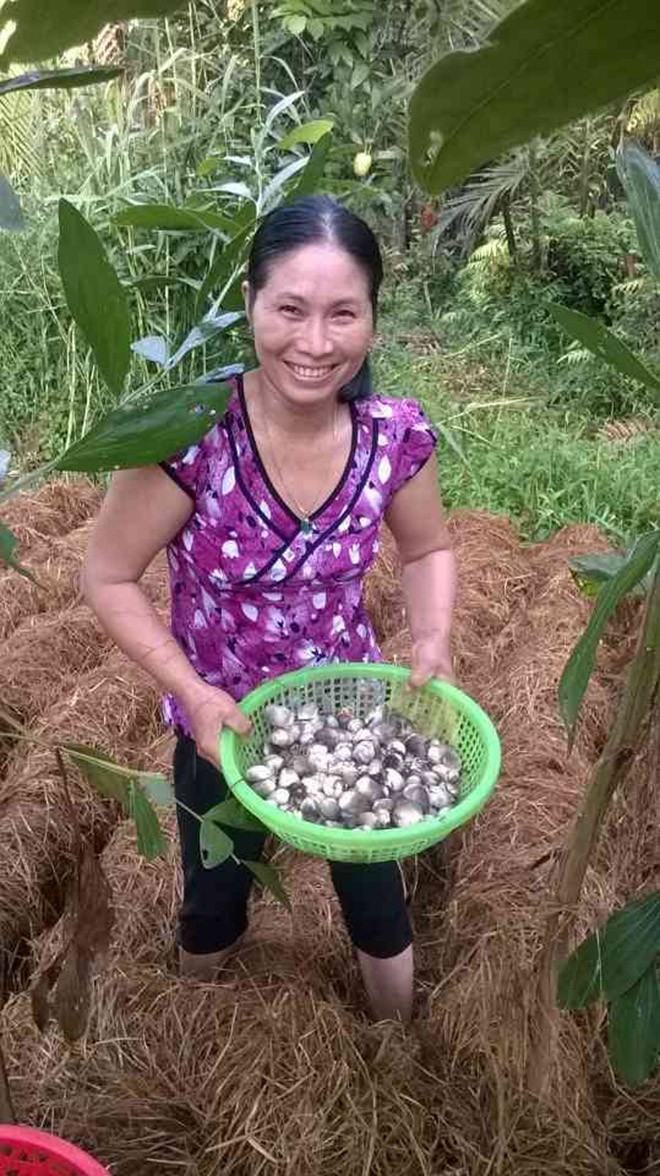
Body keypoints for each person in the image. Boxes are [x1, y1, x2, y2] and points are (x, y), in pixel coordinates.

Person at [82, 195, 456, 1022]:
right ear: (250, 301)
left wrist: (432, 636)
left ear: (373, 319)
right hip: (224, 724)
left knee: (378, 906)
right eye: (290, 308)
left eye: (342, 313)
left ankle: (396, 1050)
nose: (316, 343)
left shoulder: (394, 434)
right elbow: (108, 577)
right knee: (213, 901)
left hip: (349, 716)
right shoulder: (191, 434)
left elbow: (428, 550)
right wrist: (195, 692)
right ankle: (194, 1023)